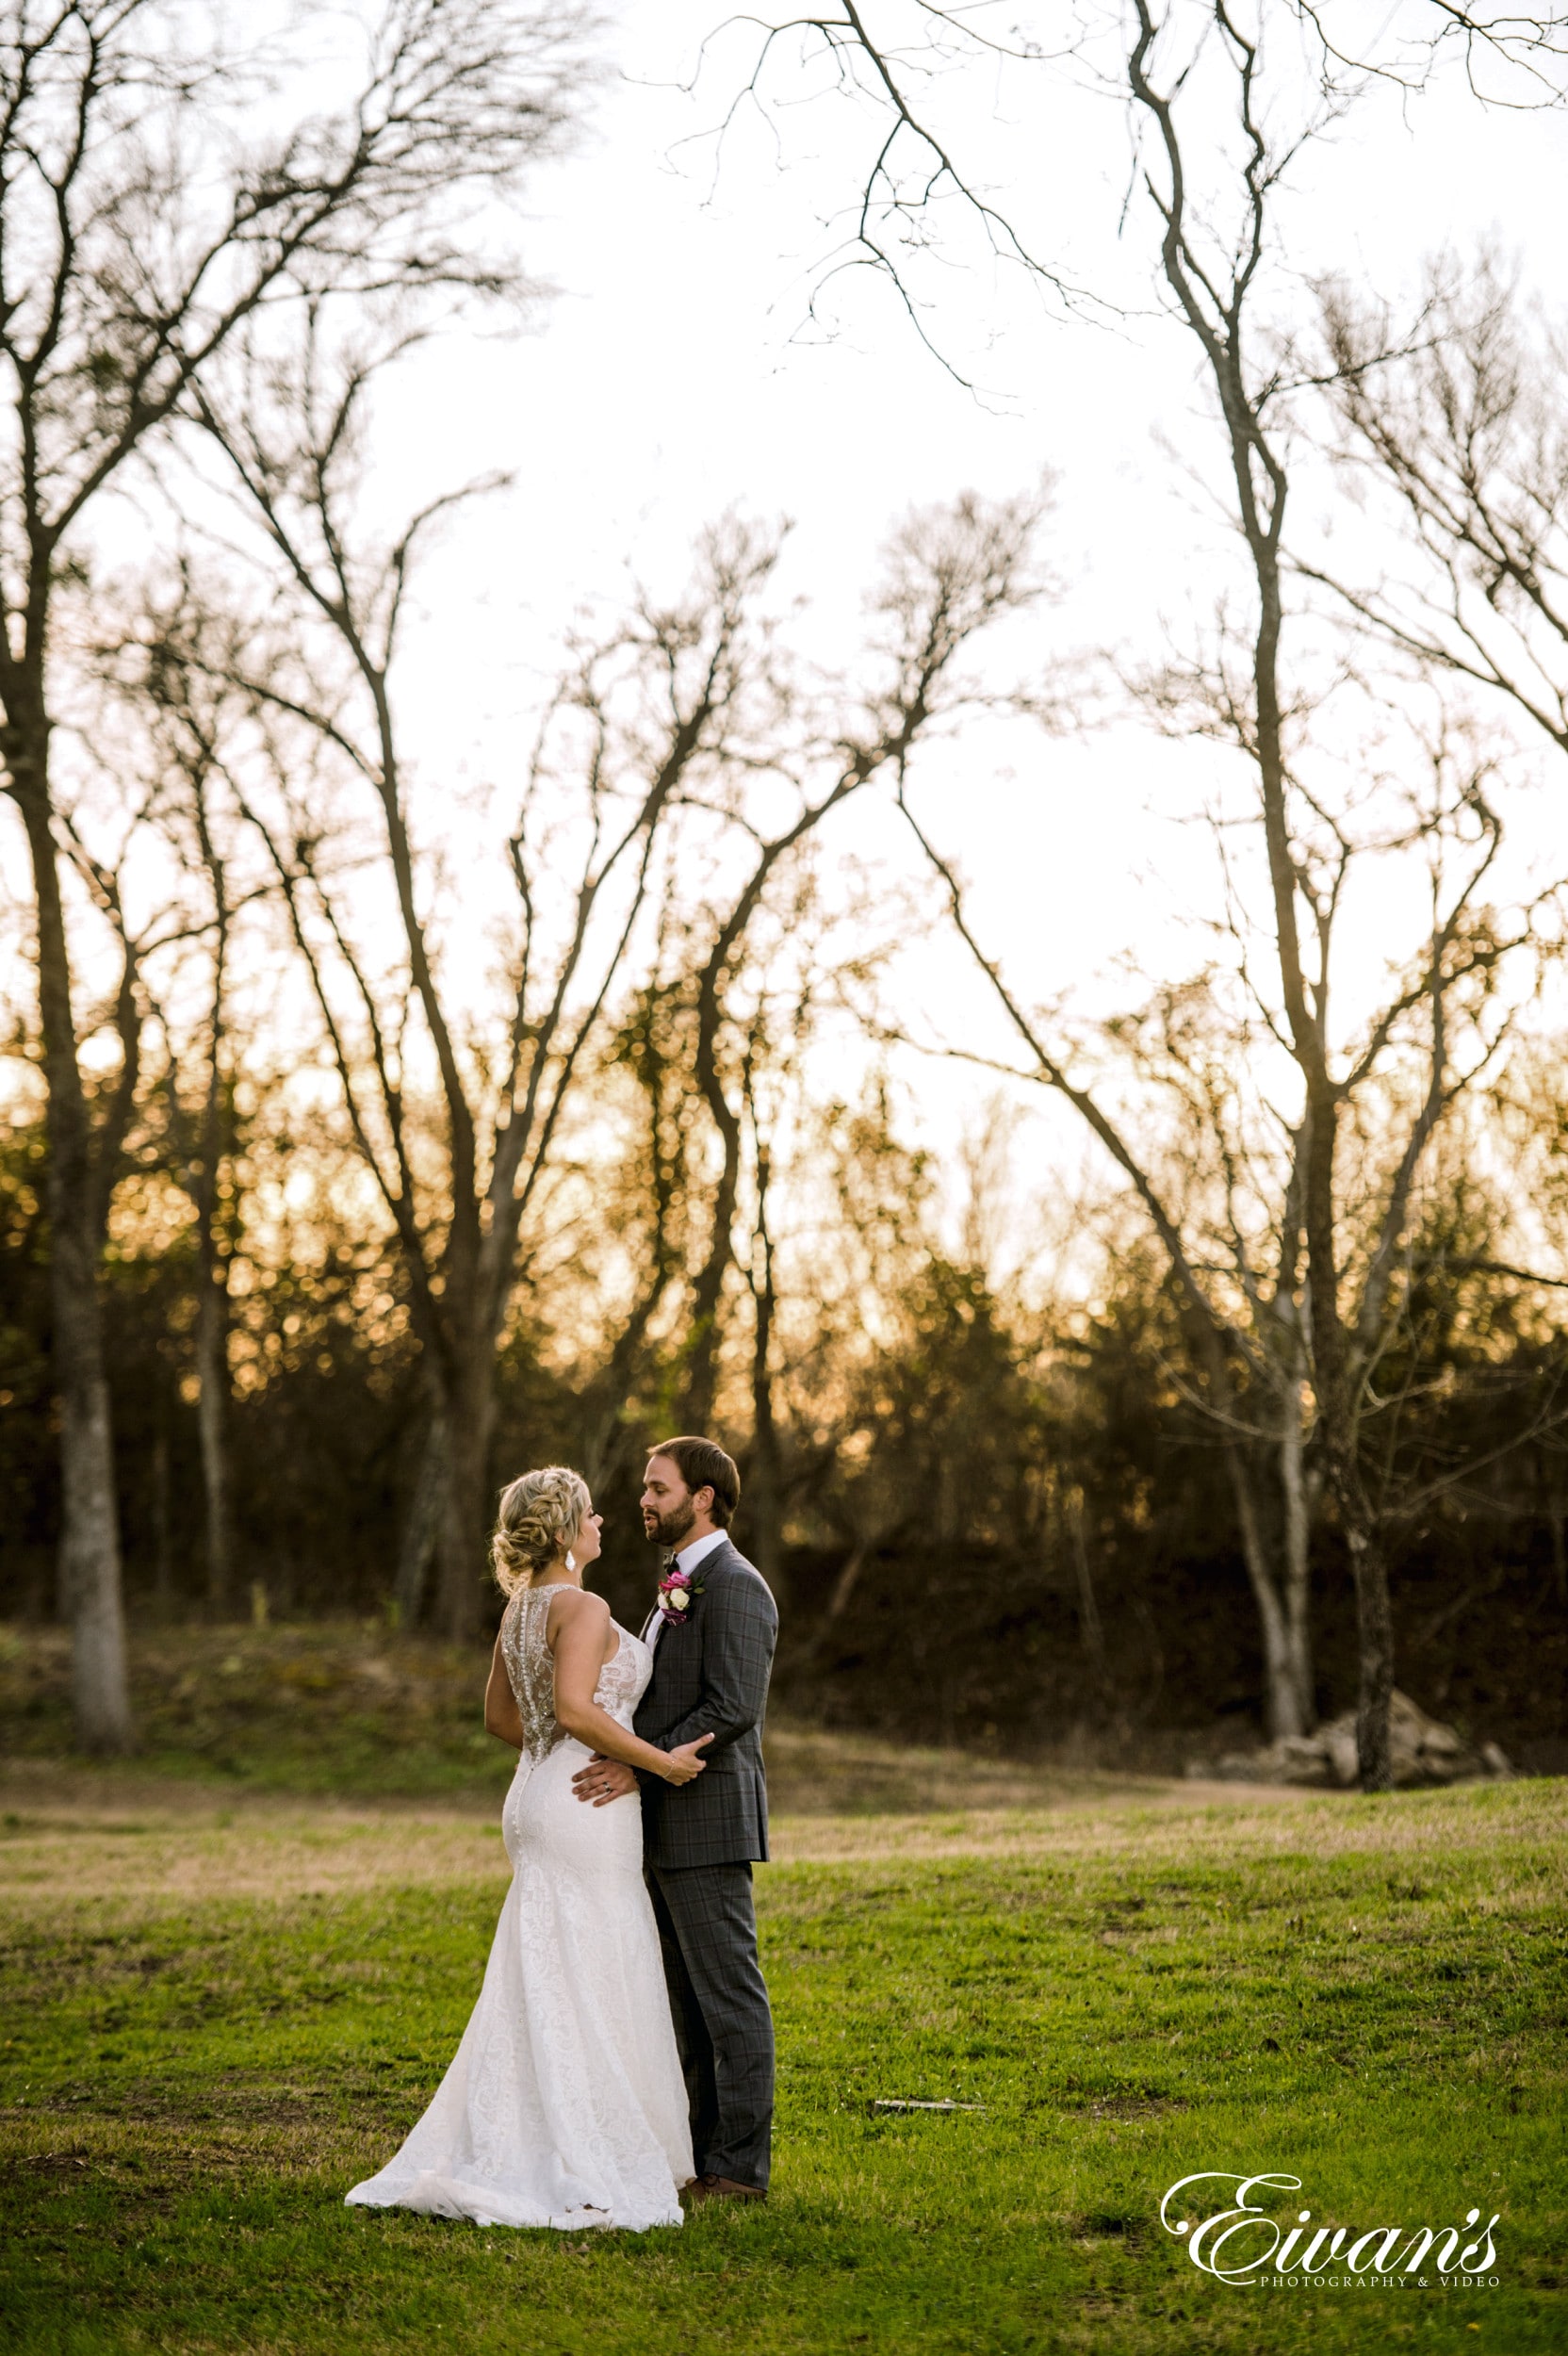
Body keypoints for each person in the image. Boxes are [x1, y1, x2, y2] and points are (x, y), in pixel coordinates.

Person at [345, 1466, 711, 2232]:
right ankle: (583, 2151)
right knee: (591, 1955)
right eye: (591, 1514)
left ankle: (532, 2134)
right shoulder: (581, 1604)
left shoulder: (521, 1609)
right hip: (585, 1804)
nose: (605, 1520)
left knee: (548, 1959)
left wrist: (552, 1756)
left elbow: (501, 1718)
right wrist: (659, 1762)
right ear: (567, 1528)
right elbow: (577, 1708)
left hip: (536, 1793)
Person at [572, 1435, 778, 2204]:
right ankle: (698, 2159)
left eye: (658, 1489)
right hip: (665, 1820)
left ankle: (740, 2171)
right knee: (682, 2006)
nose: (644, 1502)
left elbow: (732, 1706)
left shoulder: (736, 1586)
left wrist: (635, 1760)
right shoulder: (679, 1583)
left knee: (728, 2001)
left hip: (707, 1820)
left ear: (702, 1497)